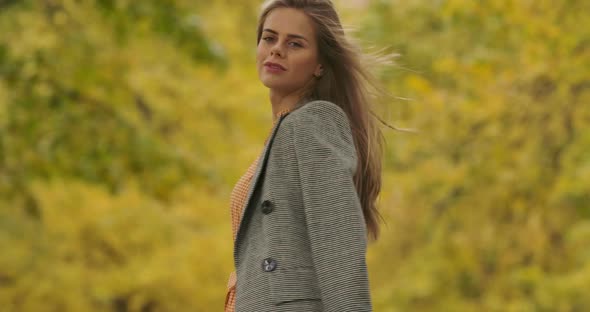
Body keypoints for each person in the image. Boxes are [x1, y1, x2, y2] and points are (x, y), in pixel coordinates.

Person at [225, 0, 388, 311]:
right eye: (269, 38)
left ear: (320, 64)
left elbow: (339, 251)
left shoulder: (314, 121)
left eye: (295, 43)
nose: (276, 50)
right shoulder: (280, 136)